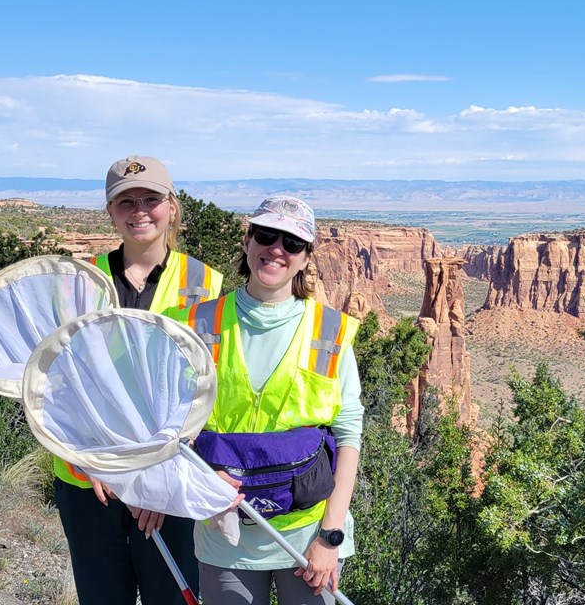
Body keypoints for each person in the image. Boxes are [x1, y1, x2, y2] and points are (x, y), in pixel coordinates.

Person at [164, 195, 364, 605]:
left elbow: (348, 436)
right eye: (266, 234)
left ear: (307, 257)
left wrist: (330, 536)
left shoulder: (331, 331)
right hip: (225, 537)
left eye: (292, 243)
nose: (276, 249)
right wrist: (199, 480)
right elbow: (169, 424)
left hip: (309, 536)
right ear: (247, 240)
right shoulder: (196, 324)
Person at [53, 154, 225, 605]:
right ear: (110, 212)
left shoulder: (206, 283)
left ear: (172, 206)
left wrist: (155, 481)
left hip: (167, 480)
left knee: (171, 596)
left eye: (151, 198)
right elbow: (59, 383)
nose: (140, 210)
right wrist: (90, 463)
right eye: (125, 201)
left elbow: (204, 392)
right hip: (89, 477)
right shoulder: (80, 281)